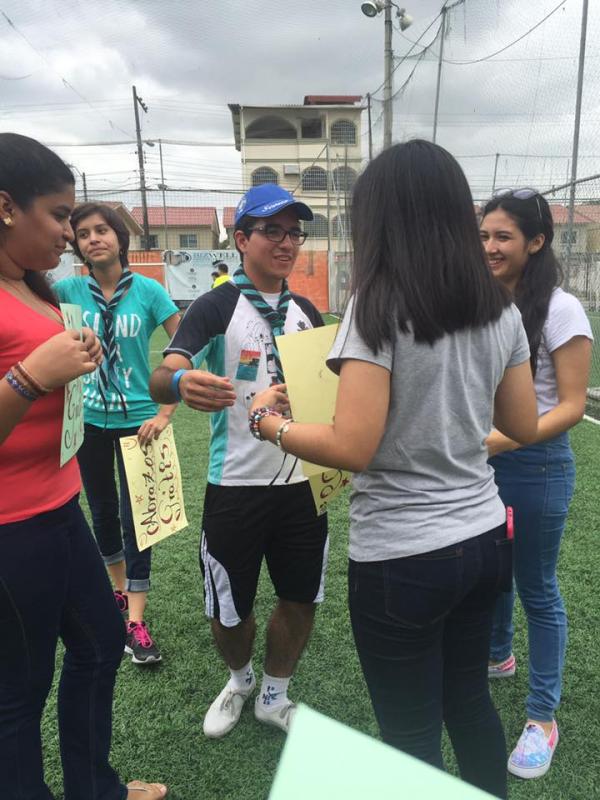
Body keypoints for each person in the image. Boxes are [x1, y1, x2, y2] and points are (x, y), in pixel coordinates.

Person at [246, 141, 538, 799]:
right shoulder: (498, 308)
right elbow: (521, 425)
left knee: (409, 739)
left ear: (380, 217)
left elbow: (353, 445)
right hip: (486, 538)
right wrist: (447, 435)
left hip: (403, 559)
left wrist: (271, 424)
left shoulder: (377, 305)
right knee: (469, 702)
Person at [0, 133, 167, 799]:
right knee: (18, 693)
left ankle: (94, 788)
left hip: (58, 509)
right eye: (60, 215)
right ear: (7, 206)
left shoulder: (33, 286)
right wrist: (30, 379)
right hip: (12, 529)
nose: (71, 232)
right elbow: (27, 380)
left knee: (100, 648)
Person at [149, 183, 328, 738]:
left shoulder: (305, 310)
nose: (286, 242)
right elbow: (163, 371)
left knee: (301, 597)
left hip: (303, 484)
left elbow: (326, 390)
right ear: (242, 237)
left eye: (294, 232)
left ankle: (275, 694)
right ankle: (241, 678)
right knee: (229, 608)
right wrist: (182, 380)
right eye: (272, 230)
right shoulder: (216, 304)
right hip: (235, 486)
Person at [481, 189, 593, 779]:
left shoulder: (561, 308)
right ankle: (498, 655)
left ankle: (543, 716)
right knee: (491, 571)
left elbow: (572, 404)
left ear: (536, 241)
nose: (490, 247)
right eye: (484, 236)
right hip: (484, 466)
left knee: (538, 588)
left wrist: (501, 440)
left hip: (538, 464)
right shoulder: (480, 302)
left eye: (502, 237)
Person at [53, 202, 180, 665]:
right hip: (87, 421)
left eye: (102, 230)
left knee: (140, 521)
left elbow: (185, 346)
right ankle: (119, 593)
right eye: (83, 233)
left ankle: (136, 622)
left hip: (140, 421)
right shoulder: (65, 290)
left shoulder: (148, 291)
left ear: (120, 238)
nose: (93, 239)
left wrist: (166, 411)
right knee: (103, 513)